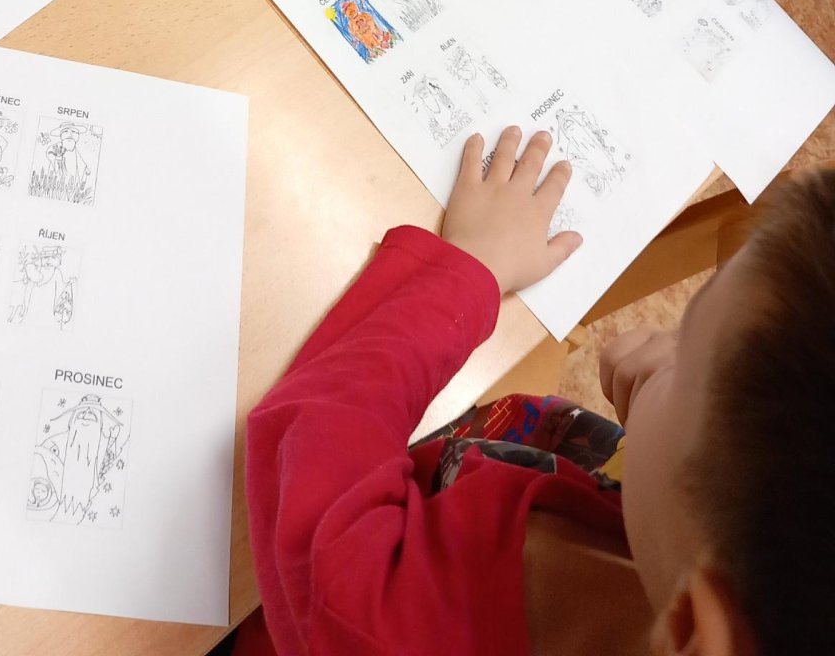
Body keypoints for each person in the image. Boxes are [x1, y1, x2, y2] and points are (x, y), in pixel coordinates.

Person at [237, 126, 834, 656]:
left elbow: (317, 428)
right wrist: (672, 421)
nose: (664, 347)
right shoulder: (716, 564)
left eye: (686, 342)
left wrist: (471, 271)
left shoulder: (380, 624)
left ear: (692, 629)